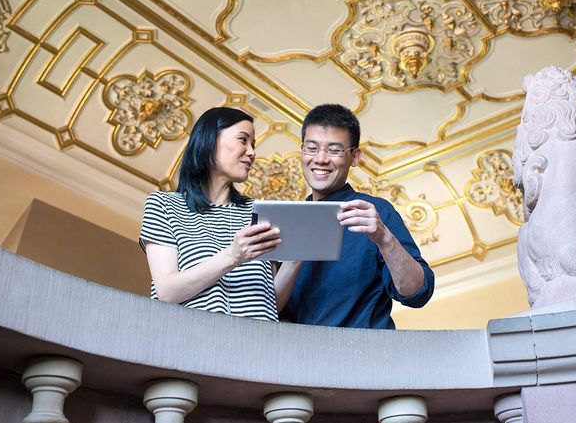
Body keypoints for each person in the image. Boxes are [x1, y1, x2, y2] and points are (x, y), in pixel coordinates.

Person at [280, 104, 435, 329]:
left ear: (354, 157)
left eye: (334, 150)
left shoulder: (377, 212)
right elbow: (268, 310)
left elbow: (418, 293)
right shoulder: (285, 221)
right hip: (300, 357)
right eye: (312, 148)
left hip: (366, 356)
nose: (320, 159)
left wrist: (384, 239)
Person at [139, 107, 298, 321]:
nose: (252, 152)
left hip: (259, 344)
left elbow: (270, 304)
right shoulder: (165, 205)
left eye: (253, 145)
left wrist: (295, 261)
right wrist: (233, 256)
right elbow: (167, 292)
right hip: (193, 342)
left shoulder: (258, 213)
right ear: (210, 139)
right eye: (243, 140)